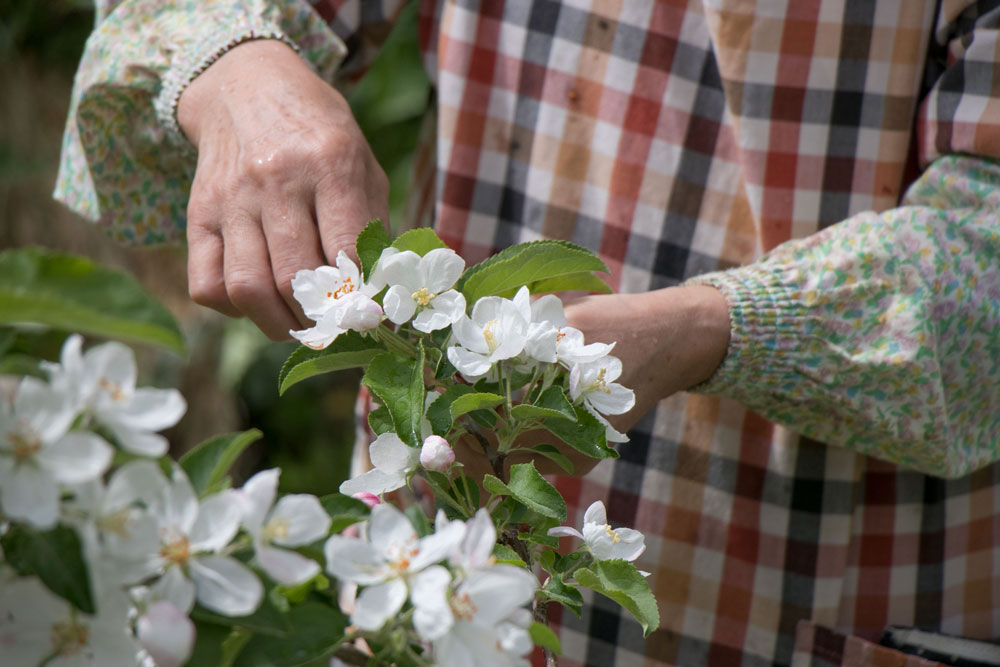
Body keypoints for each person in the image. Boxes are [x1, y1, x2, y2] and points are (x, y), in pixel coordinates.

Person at [57, 1, 1000, 665]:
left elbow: (982, 249)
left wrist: (708, 328)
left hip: (818, 584)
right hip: (433, 576)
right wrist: (237, 69)